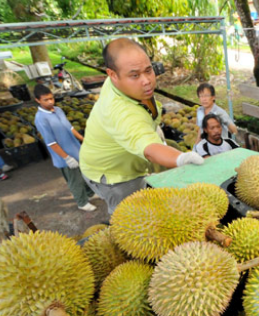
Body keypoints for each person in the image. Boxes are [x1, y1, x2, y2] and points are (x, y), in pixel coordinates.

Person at [79, 38, 204, 215]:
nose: (146, 81)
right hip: (113, 174)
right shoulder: (121, 112)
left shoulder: (122, 83)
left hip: (119, 155)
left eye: (148, 70)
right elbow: (149, 148)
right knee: (130, 217)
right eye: (135, 75)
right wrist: (181, 159)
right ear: (112, 75)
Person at [33, 84, 97, 212]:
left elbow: (70, 128)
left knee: (84, 174)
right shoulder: (41, 119)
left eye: (51, 98)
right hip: (64, 156)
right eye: (46, 100)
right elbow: (51, 143)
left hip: (76, 150)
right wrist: (67, 158)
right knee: (75, 180)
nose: (50, 102)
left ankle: (89, 194)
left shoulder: (58, 110)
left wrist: (84, 140)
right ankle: (82, 202)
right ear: (37, 100)